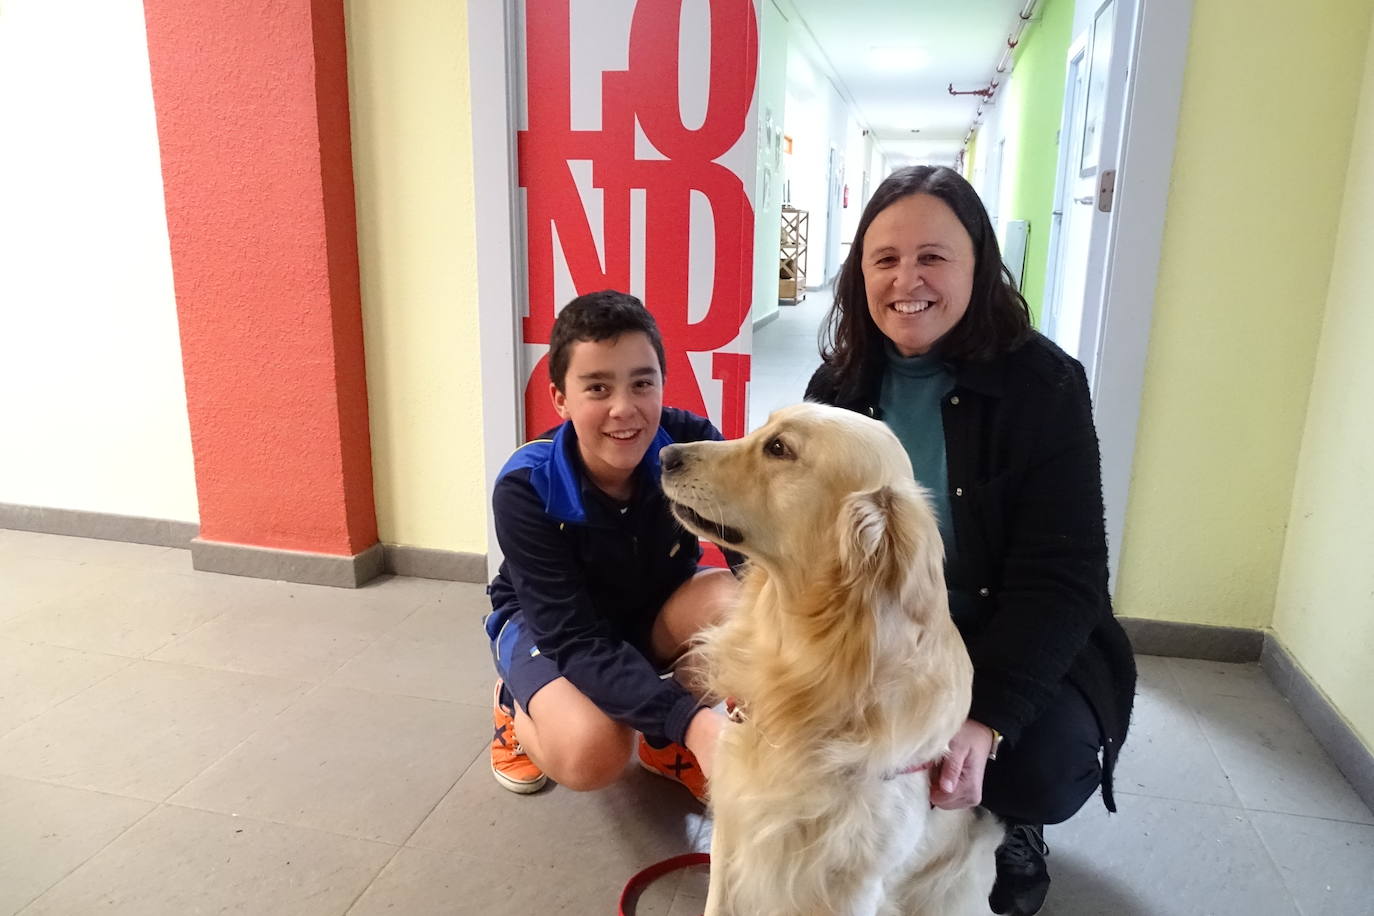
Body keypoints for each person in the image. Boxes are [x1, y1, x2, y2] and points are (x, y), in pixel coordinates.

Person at [805, 165, 1137, 916]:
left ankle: (1010, 822)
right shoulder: (837, 390)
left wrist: (986, 717)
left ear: (979, 265)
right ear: (860, 275)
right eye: (884, 259)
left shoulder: (1045, 385)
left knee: (1042, 766)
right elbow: (811, 549)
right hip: (884, 631)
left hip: (1006, 628)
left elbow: (1065, 576)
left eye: (933, 256)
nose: (907, 280)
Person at [484, 289, 738, 804]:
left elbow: (751, 553)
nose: (624, 409)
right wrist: (696, 723)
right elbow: (575, 640)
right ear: (560, 398)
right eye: (597, 387)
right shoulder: (525, 487)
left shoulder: (691, 443)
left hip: (647, 610)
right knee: (595, 751)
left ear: (662, 384)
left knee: (752, 611)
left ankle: (666, 747)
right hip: (555, 630)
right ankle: (516, 708)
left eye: (642, 383)